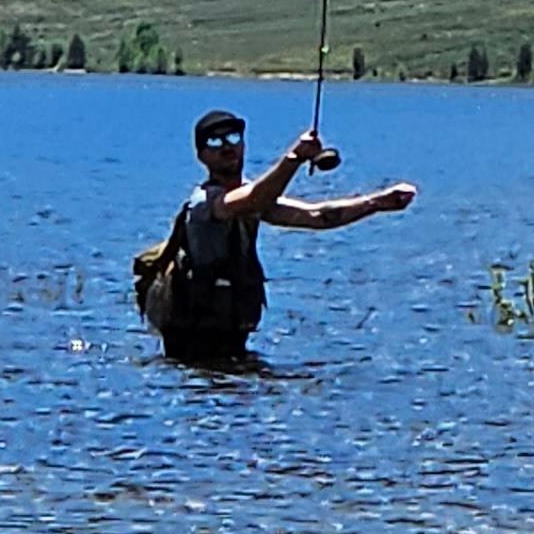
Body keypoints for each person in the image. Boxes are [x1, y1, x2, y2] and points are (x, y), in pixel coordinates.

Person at [132, 106, 415, 364]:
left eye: (232, 138)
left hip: (231, 335)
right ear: (202, 156)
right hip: (193, 342)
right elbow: (253, 199)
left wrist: (378, 202)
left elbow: (318, 216)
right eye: (214, 142)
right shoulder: (205, 203)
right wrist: (294, 158)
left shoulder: (253, 200)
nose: (226, 147)